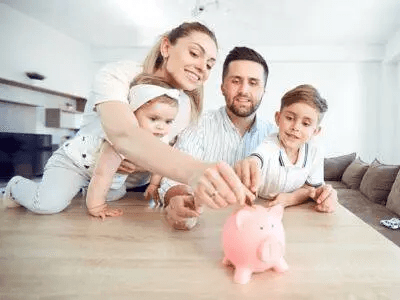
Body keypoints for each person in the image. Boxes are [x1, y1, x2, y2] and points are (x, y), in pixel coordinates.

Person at [2, 22, 250, 213]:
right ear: (166, 47)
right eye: (195, 54)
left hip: (121, 186)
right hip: (82, 164)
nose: (202, 68)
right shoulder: (118, 75)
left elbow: (165, 151)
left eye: (209, 64)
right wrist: (195, 171)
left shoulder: (186, 106)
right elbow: (124, 135)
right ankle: (14, 186)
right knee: (49, 204)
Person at [159, 46, 276, 230]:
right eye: (236, 81)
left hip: (258, 230)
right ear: (223, 87)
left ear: (264, 91)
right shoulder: (198, 126)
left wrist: (319, 191)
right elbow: (172, 179)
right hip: (204, 230)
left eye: (253, 83)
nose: (244, 90)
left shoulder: (275, 135)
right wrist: (177, 197)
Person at [86, 74, 180, 219]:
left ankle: (89, 189)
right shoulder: (120, 138)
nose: (161, 127)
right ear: (133, 114)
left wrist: (154, 185)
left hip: (102, 176)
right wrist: (97, 206)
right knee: (47, 205)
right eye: (153, 119)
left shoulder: (160, 139)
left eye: (168, 122)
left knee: (116, 193)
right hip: (74, 163)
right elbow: (102, 174)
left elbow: (161, 163)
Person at [234, 84, 337, 213]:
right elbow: (257, 158)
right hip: (261, 205)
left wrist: (291, 199)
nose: (295, 127)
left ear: (315, 131)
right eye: (289, 118)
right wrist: (250, 162)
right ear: (278, 118)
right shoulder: (271, 144)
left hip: (293, 210)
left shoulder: (314, 150)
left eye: (305, 124)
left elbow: (311, 189)